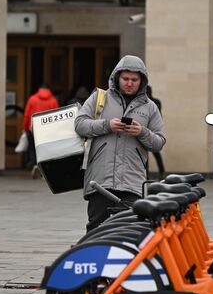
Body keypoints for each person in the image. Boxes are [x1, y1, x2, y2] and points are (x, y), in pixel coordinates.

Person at [75, 55, 166, 231]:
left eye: (134, 79)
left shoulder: (150, 107)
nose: (129, 83)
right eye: (125, 78)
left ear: (142, 81)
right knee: (96, 228)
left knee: (129, 231)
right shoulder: (99, 98)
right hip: (100, 180)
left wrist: (142, 132)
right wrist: (107, 125)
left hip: (132, 181)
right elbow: (79, 125)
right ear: (117, 77)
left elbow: (159, 142)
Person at [23, 84, 59, 177]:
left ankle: (35, 164)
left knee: (33, 148)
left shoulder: (32, 99)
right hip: (48, 129)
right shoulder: (53, 100)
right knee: (46, 149)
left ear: (39, 89)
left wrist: (25, 128)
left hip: (33, 128)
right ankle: (44, 169)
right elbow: (56, 115)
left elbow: (27, 114)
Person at [146, 85, 165, 180]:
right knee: (145, 154)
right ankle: (146, 173)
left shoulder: (155, 102)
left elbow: (158, 117)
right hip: (144, 129)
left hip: (153, 130)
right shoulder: (142, 102)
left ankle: (162, 172)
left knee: (156, 152)